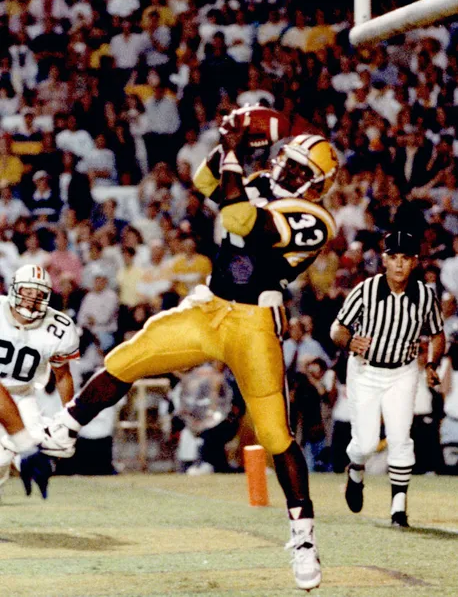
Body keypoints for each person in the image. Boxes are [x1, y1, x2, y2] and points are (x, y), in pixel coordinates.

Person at [41, 111, 339, 591]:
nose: (288, 171)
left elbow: (239, 218)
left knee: (274, 433)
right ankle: (67, 425)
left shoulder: (315, 219)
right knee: (130, 356)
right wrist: (227, 145)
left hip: (254, 323)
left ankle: (303, 537)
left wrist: (235, 155)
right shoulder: (257, 181)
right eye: (288, 161)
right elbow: (203, 180)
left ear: (317, 184)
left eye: (302, 171)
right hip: (209, 307)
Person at [330, 230, 445, 528]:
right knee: (366, 442)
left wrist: (432, 363)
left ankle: (399, 509)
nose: (399, 264)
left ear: (414, 262)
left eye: (405, 258)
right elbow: (337, 328)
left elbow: (437, 333)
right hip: (366, 371)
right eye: (394, 257)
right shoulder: (366, 290)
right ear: (384, 260)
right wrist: (349, 340)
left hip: (403, 371)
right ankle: (356, 470)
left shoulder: (424, 295)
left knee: (400, 437)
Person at [0, 264, 80, 498]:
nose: (31, 299)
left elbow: (62, 375)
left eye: (39, 294)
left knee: (17, 452)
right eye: (27, 292)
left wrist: (69, 419)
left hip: (22, 394)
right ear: (14, 290)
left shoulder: (59, 327)